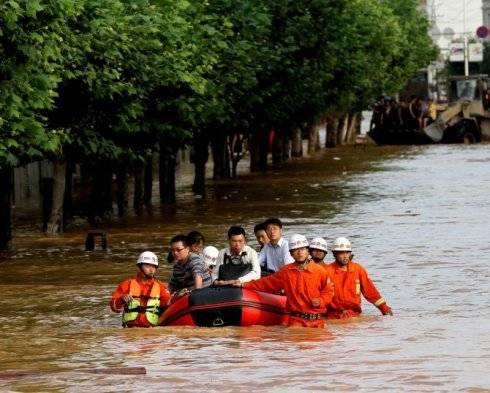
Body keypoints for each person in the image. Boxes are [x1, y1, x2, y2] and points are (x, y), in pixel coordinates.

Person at [238, 234, 334, 328]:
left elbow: (329, 291)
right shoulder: (286, 271)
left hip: (317, 322)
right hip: (296, 321)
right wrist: (242, 284)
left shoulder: (320, 271)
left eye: (302, 249)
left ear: (307, 251)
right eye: (296, 250)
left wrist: (321, 301)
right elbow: (266, 283)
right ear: (291, 253)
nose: (300, 253)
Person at [324, 237, 393, 319]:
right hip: (332, 316)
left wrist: (384, 308)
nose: (345, 256)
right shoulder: (326, 271)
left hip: (354, 315)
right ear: (335, 254)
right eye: (341, 253)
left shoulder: (358, 269)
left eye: (347, 253)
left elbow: (370, 292)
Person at [110, 251, 171, 328]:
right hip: (130, 330)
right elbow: (114, 307)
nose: (151, 270)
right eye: (148, 266)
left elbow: (169, 304)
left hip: (151, 331)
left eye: (154, 266)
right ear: (139, 267)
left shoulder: (161, 287)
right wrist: (121, 299)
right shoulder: (126, 285)